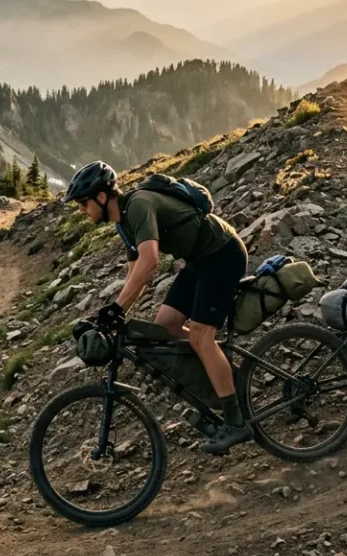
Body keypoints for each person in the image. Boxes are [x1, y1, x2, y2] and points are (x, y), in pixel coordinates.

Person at [62, 161, 253, 454]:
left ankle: (236, 422)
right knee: (165, 330)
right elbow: (134, 274)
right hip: (199, 261)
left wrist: (117, 307)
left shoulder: (137, 205)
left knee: (202, 335)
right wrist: (116, 313)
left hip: (222, 253)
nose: (81, 210)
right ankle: (229, 379)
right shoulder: (122, 223)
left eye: (83, 203)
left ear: (102, 197)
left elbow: (150, 261)